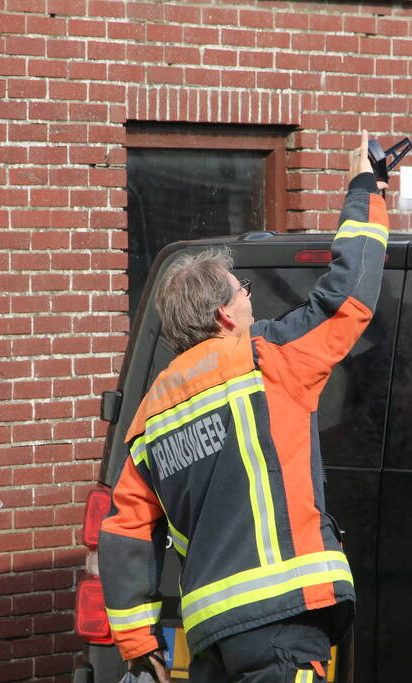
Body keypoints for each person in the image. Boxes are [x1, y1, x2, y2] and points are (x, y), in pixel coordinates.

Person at [99, 133, 389, 683]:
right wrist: (365, 188)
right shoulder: (266, 359)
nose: (251, 300)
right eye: (244, 291)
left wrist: (139, 645)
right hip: (283, 617)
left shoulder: (149, 414)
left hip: (211, 637)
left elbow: (125, 531)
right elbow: (349, 296)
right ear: (226, 316)